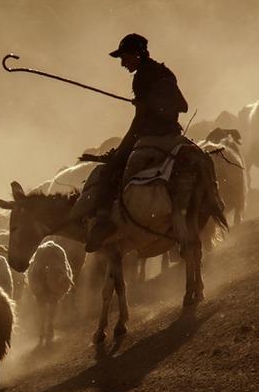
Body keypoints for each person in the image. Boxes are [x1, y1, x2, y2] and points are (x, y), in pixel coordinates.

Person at [70, 33, 188, 251]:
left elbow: (139, 122)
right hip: (174, 135)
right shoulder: (164, 72)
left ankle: (104, 222)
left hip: (152, 138)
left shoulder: (141, 77)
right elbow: (183, 106)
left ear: (137, 54)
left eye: (124, 57)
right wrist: (148, 103)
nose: (123, 63)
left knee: (108, 172)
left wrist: (119, 151)